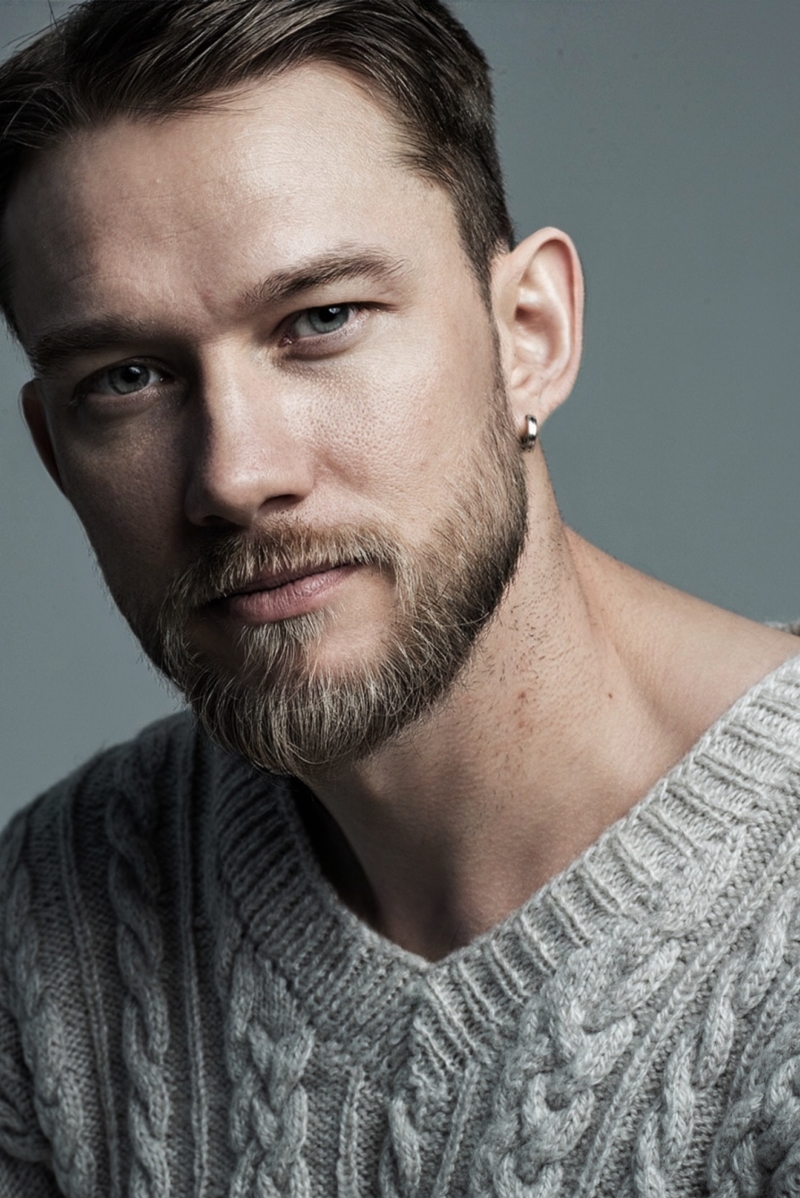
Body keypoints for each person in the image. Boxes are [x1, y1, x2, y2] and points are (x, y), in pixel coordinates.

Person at [2, 0, 800, 1193]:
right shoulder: (57, 910)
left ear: (528, 333)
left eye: (320, 320)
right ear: (55, 455)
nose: (234, 475)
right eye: (125, 379)